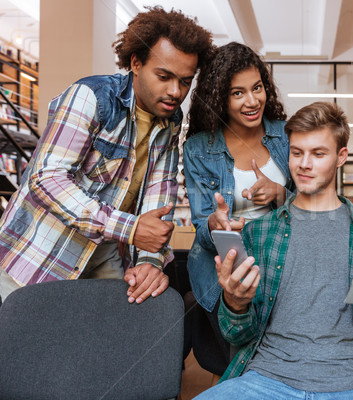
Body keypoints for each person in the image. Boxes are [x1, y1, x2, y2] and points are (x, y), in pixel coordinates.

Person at [194, 101, 353, 399]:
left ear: (340, 156)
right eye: (297, 153)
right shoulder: (258, 232)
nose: (304, 164)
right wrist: (234, 303)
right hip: (267, 378)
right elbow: (237, 334)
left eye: (318, 154)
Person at [0, 6, 213, 304]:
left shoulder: (171, 120)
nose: (176, 92)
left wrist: (149, 261)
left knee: (120, 333)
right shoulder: (91, 97)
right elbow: (45, 179)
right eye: (164, 76)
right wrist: (131, 228)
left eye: (186, 81)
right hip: (40, 254)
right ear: (136, 63)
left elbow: (158, 197)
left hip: (105, 251)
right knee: (28, 346)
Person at [183, 42, 293, 375]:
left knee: (283, 367)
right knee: (242, 368)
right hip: (227, 273)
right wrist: (216, 226)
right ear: (219, 97)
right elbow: (203, 225)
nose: (252, 101)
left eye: (257, 88)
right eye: (238, 93)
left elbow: (316, 206)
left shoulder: (286, 136)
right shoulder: (199, 149)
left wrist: (281, 194)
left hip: (283, 269)